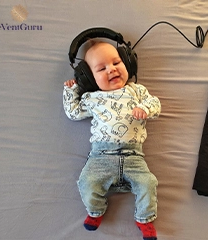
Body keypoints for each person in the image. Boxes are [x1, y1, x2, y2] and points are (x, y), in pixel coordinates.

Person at [63, 41, 161, 240]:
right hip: (101, 156)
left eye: (117, 62)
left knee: (148, 183)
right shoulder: (92, 97)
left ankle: (145, 218)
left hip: (134, 156)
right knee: (86, 183)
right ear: (89, 77)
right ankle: (96, 210)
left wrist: (146, 109)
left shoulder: (136, 90)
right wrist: (71, 91)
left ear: (127, 63)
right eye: (102, 68)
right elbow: (73, 113)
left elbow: (155, 103)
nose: (112, 70)